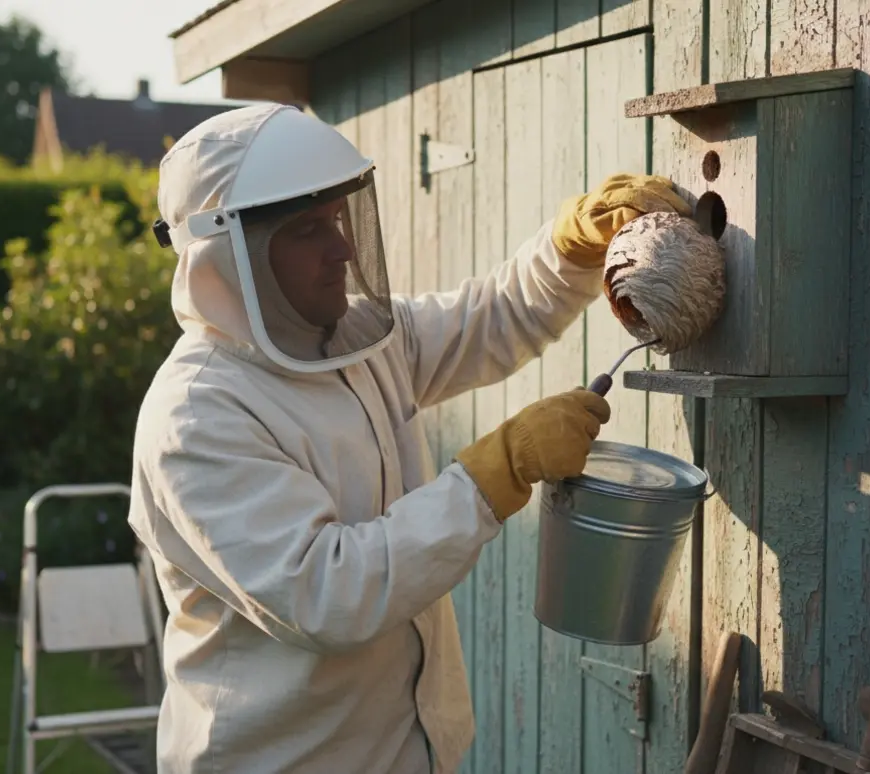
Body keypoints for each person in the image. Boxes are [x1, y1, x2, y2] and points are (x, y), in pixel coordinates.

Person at [128, 102, 690, 774]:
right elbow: (329, 595)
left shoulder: (351, 336)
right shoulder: (197, 416)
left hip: (403, 752)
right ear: (229, 256)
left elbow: (494, 319)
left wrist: (569, 247)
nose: (342, 247)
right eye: (309, 229)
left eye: (339, 216)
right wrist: (495, 472)